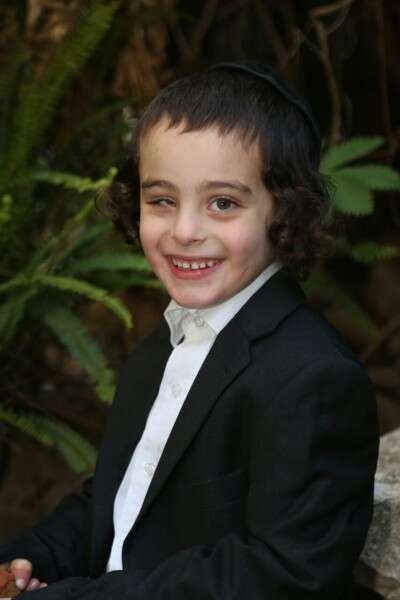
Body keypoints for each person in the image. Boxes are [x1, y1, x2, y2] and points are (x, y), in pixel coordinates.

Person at [0, 61, 378, 599]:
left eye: (223, 203)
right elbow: (117, 500)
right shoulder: (162, 349)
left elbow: (284, 574)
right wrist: (28, 560)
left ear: (285, 212)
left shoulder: (313, 378)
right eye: (162, 200)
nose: (184, 230)